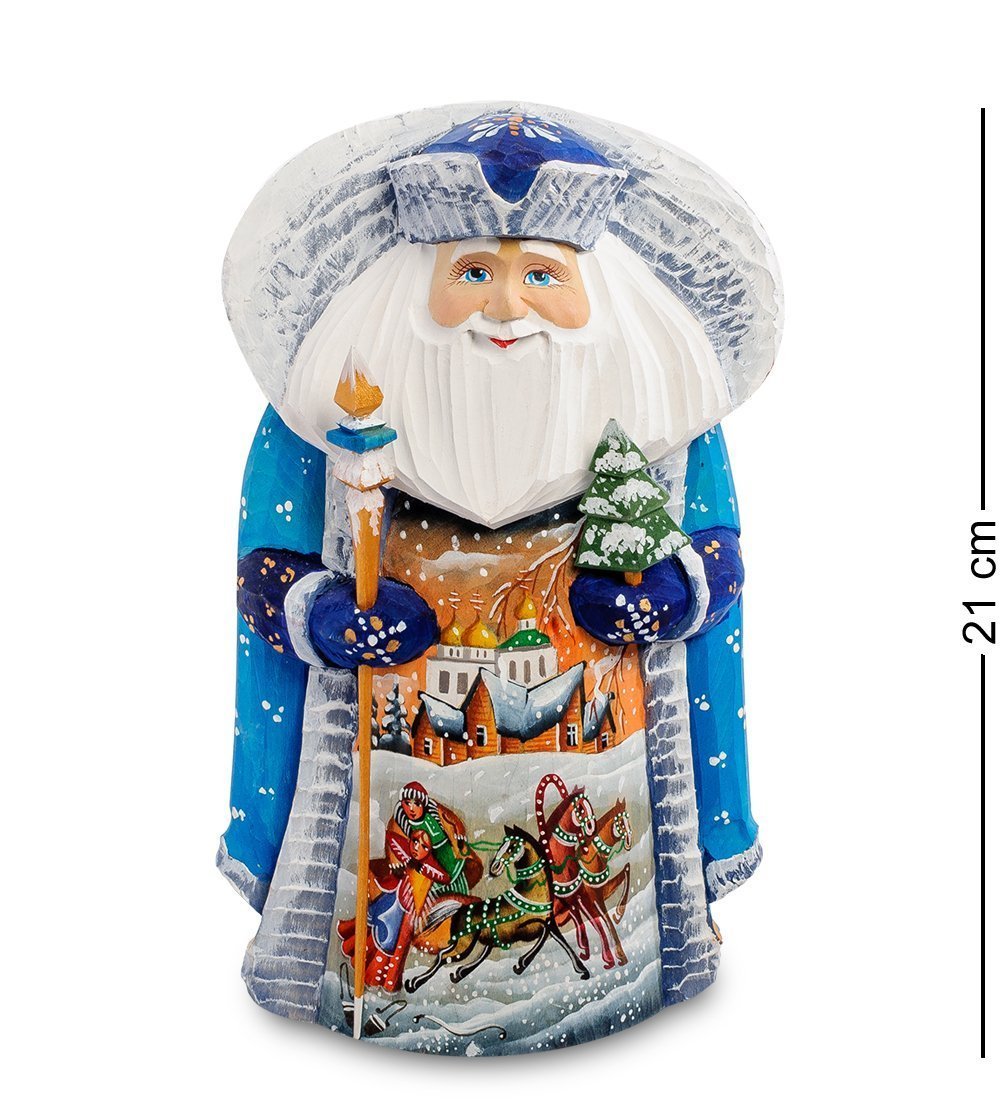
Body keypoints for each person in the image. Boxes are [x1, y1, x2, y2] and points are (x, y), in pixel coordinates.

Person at [220, 102, 782, 1050]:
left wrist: (672, 590)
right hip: (375, 765)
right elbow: (263, 571)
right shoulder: (322, 426)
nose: (508, 308)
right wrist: (320, 614)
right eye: (474, 273)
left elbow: (720, 555)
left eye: (543, 275)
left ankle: (626, 962)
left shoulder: (666, 433)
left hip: (611, 750)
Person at [337, 826, 448, 993]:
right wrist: (400, 865)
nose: (416, 847)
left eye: (424, 846)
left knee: (389, 941)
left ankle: (376, 976)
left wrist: (420, 868)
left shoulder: (428, 869)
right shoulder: (406, 857)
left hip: (406, 913)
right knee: (373, 924)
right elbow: (391, 838)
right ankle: (360, 959)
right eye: (415, 841)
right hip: (392, 899)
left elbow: (443, 877)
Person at [387, 782, 481, 898]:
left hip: (446, 851)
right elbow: (394, 840)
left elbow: (452, 820)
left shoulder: (434, 812)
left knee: (456, 877)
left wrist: (460, 834)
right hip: (428, 859)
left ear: (423, 804)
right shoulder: (402, 822)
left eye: (416, 804)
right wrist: (398, 862)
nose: (411, 809)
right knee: (435, 884)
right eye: (407, 803)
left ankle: (460, 895)